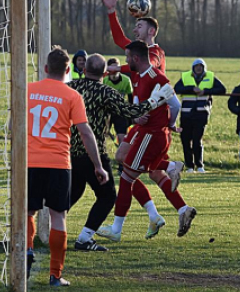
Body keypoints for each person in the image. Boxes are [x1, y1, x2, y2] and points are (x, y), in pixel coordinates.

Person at [101, 0, 196, 238]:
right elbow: (122, 41)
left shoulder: (153, 54)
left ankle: (126, 225)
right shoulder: (139, 54)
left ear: (151, 31)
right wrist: (111, 11)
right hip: (142, 123)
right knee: (132, 163)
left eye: (139, 26)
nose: (135, 30)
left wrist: (111, 68)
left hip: (151, 125)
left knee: (132, 172)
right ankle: (169, 211)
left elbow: (146, 65)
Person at [68, 53, 173, 252]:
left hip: (70, 151)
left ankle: (51, 227)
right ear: (104, 73)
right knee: (107, 197)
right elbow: (131, 112)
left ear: (83, 70)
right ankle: (84, 238)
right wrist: (156, 101)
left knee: (74, 192)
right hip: (93, 153)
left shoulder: (71, 87)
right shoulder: (106, 92)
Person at [27, 46, 108, 286]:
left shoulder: (28, 90)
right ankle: (55, 274)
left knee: (27, 213)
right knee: (58, 217)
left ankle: (27, 250)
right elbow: (85, 131)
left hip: (30, 162)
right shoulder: (72, 95)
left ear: (45, 69)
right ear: (69, 70)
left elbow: (13, 126)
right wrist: (98, 166)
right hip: (59, 164)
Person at [174, 58, 226, 173]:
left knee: (197, 140)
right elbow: (176, 89)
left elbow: (222, 89)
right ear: (193, 68)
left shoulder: (210, 77)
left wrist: (205, 91)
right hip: (186, 114)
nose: (198, 68)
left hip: (201, 114)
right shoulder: (185, 77)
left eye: (200, 67)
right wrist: (191, 89)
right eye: (196, 66)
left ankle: (199, 165)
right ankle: (189, 166)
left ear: (204, 68)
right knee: (185, 140)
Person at [103, 57, 133, 173]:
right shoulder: (105, 81)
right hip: (107, 112)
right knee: (102, 137)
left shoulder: (126, 80)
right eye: (112, 68)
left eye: (117, 68)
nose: (115, 71)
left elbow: (130, 99)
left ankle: (122, 166)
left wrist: (131, 115)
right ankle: (103, 162)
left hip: (120, 112)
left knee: (122, 138)